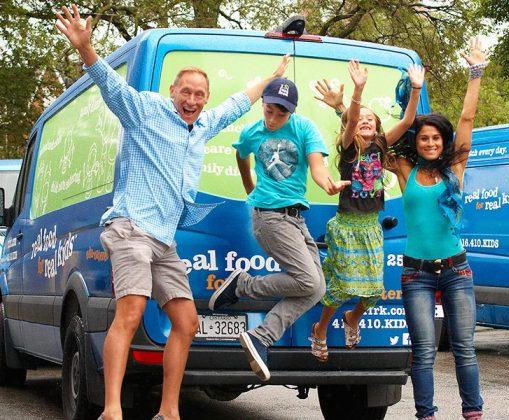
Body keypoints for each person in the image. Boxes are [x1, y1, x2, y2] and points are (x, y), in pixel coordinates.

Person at [55, 5, 289, 420]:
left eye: (200, 95)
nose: (193, 100)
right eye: (186, 92)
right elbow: (112, 87)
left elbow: (239, 103)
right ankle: (111, 409)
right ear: (173, 92)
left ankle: (169, 411)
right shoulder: (145, 111)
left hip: (163, 239)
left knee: (186, 321)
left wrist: (271, 77)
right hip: (130, 228)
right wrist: (87, 49)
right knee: (131, 310)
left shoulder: (202, 125)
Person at [208, 77, 349, 381]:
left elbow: (317, 166)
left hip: (296, 219)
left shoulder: (303, 128)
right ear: (263, 104)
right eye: (268, 111)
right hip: (270, 218)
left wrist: (327, 184)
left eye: (280, 114)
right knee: (309, 281)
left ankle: (260, 334)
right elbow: (240, 153)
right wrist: (251, 188)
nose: (272, 119)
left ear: (291, 112)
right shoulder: (252, 132)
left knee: (317, 288)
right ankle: (243, 287)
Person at [391, 37, 486, 419]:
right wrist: (414, 95)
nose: (430, 142)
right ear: (419, 141)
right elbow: (381, 142)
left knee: (464, 348)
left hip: (456, 271)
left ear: (443, 142)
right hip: (416, 273)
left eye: (436, 138)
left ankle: (472, 412)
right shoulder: (404, 169)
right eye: (424, 137)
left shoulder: (455, 169)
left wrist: (475, 72)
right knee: (424, 351)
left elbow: (467, 119)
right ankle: (426, 414)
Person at [309, 60, 425, 361]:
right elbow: (349, 122)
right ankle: (320, 329)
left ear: (377, 128)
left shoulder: (382, 146)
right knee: (342, 287)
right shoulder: (349, 148)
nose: (364, 121)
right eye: (359, 119)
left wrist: (415, 89)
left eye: (370, 120)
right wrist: (358, 91)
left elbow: (410, 118)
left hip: (371, 227)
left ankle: (353, 318)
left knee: (373, 291)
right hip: (346, 227)